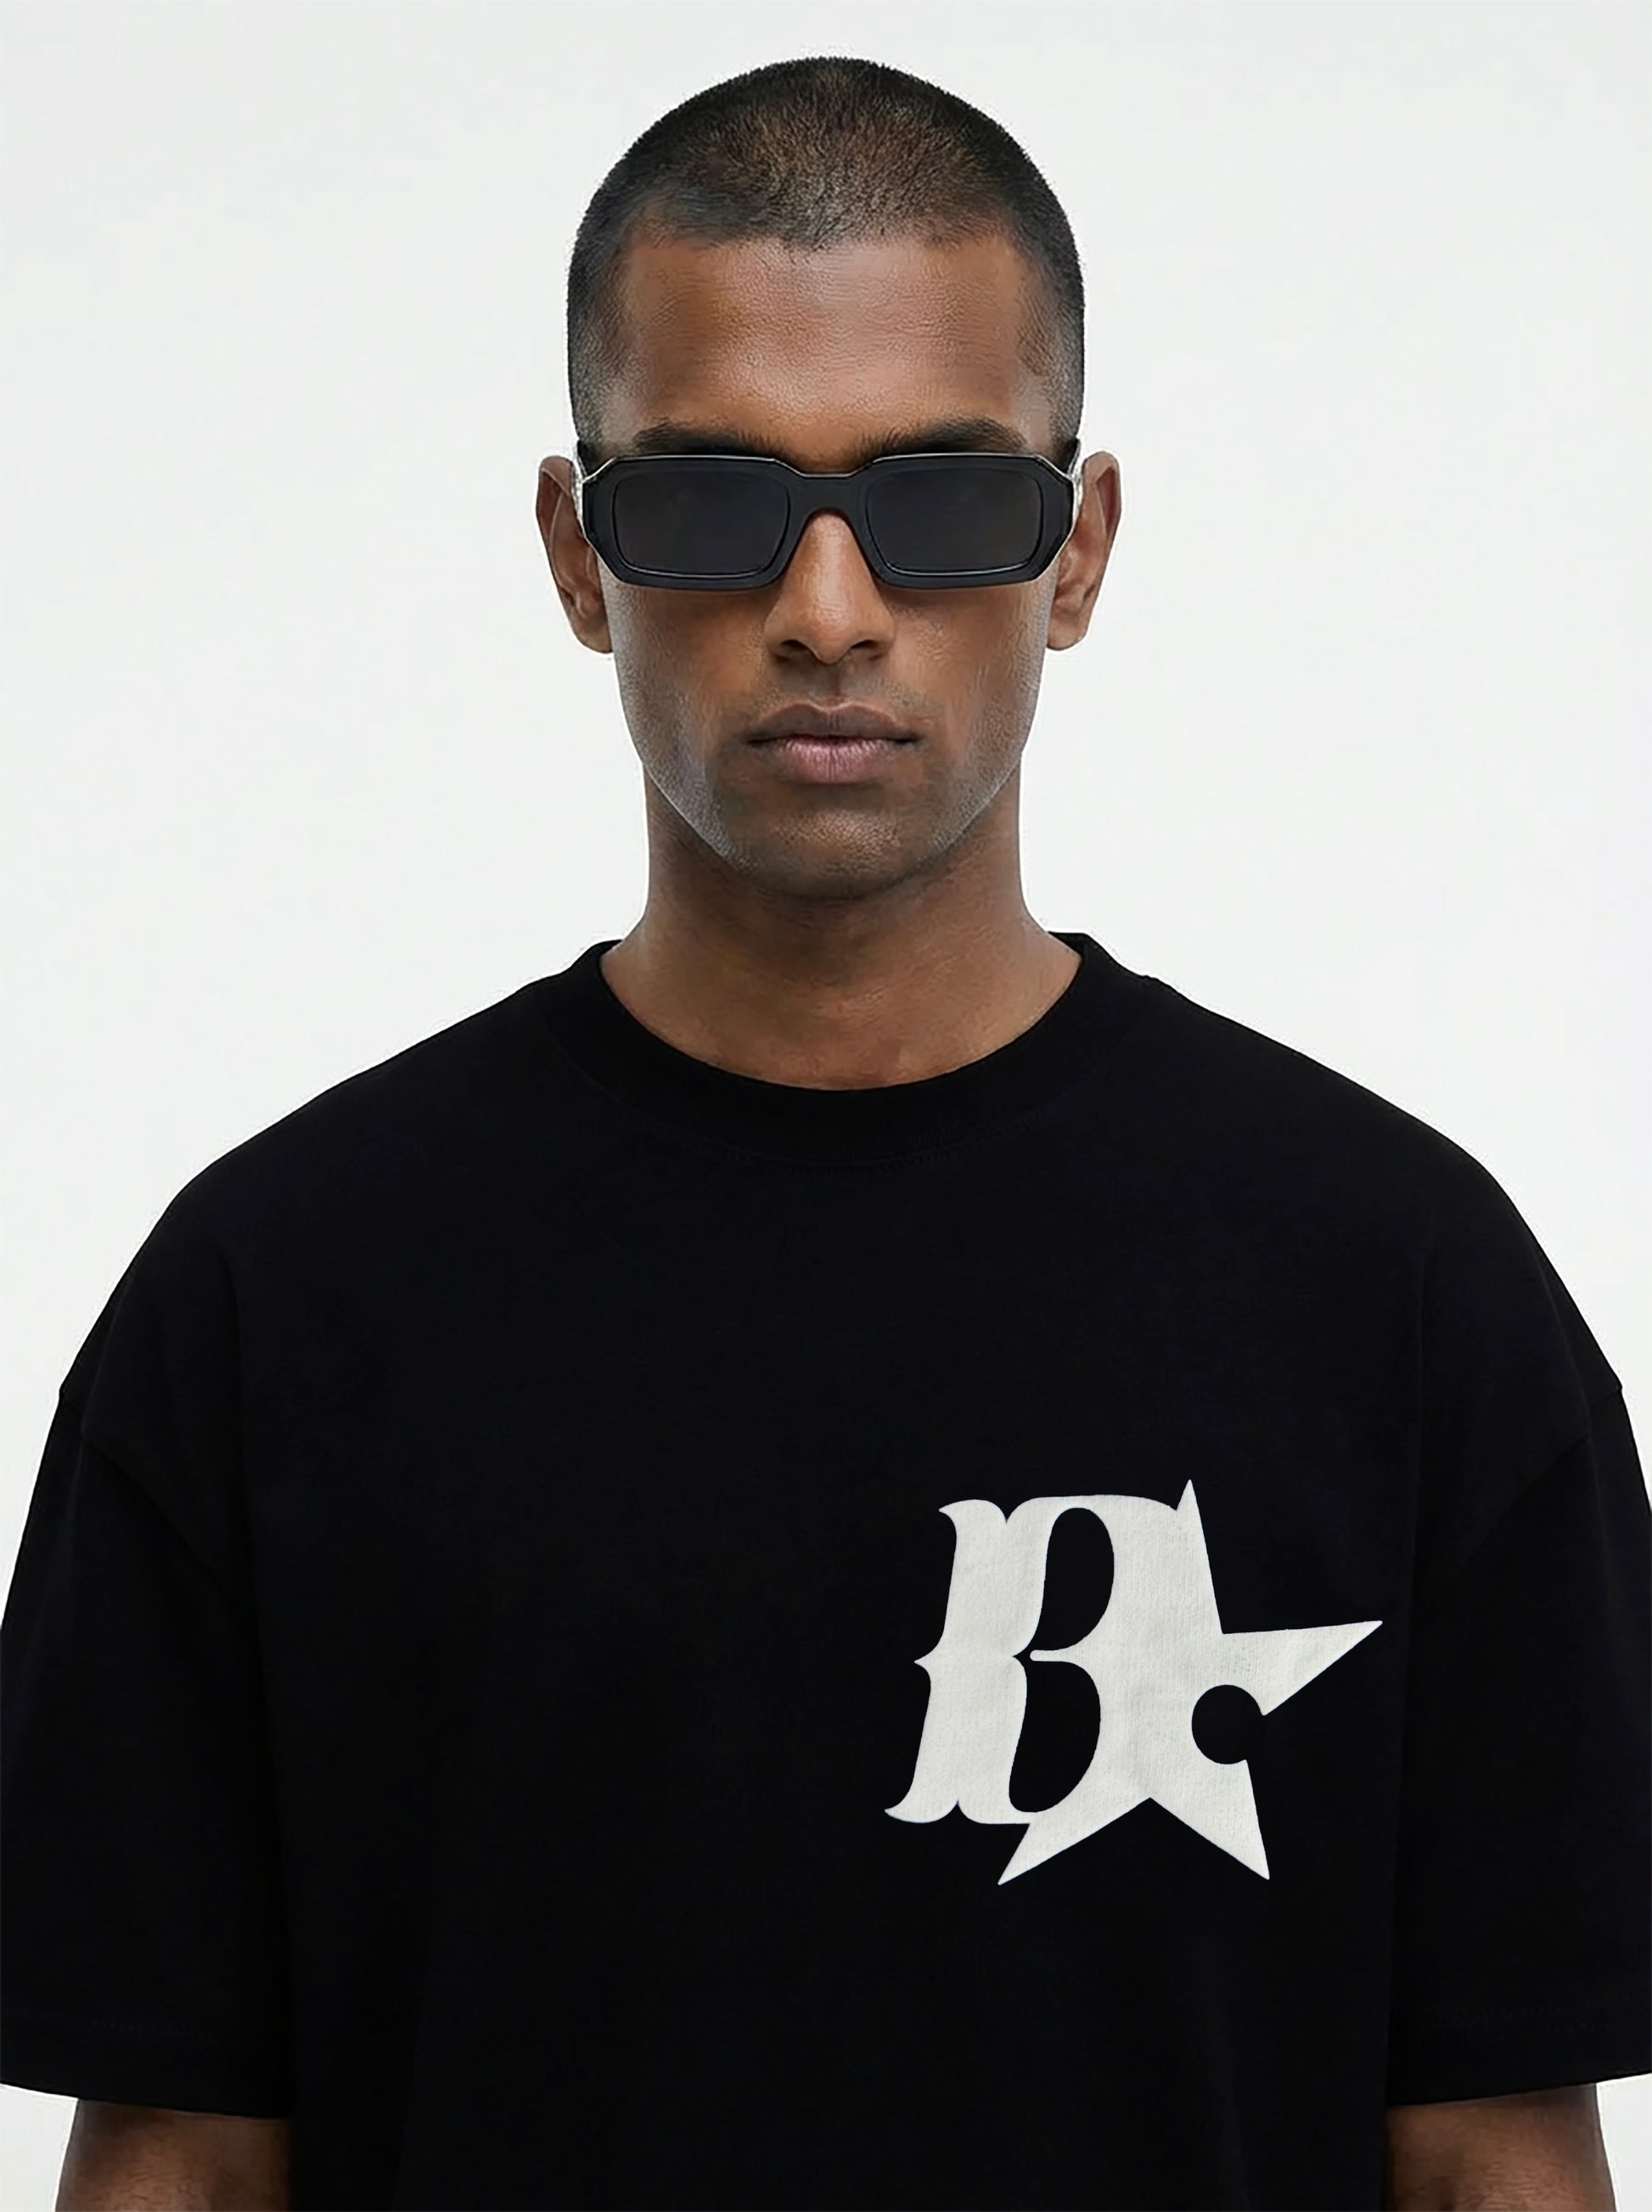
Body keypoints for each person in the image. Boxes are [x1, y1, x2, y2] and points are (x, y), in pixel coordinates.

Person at [2, 50, 1646, 2212]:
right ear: (578, 554)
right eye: (711, 500)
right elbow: (180, 2173)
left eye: (945, 501)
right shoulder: (271, 1305)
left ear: (1077, 549)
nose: (831, 607)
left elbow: (1498, 2167)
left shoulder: (1403, 1298)